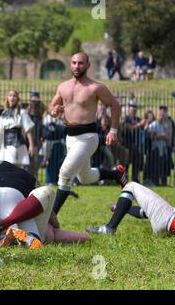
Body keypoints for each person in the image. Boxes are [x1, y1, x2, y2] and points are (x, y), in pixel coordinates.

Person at [48, 52, 126, 216]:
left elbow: (115, 105)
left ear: (88, 65)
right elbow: (52, 108)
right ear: (70, 64)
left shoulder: (95, 87)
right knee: (85, 177)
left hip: (88, 137)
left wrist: (113, 130)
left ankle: (52, 215)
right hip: (69, 137)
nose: (77, 66)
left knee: (64, 173)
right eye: (74, 63)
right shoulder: (63, 86)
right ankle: (115, 174)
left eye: (81, 63)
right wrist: (54, 111)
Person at [0, 161, 90, 247]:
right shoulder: (30, 178)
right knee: (47, 192)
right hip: (16, 209)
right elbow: (43, 200)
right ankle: (3, 231)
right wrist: (53, 223)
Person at [86, 181, 175, 236]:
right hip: (168, 224)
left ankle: (109, 228)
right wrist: (121, 208)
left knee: (131, 186)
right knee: (148, 212)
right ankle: (121, 208)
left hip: (168, 220)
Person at [0, 90, 35, 170]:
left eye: (14, 96)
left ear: (17, 99)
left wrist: (31, 145)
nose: (12, 98)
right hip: (5, 144)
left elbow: (28, 130)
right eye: (10, 95)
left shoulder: (22, 112)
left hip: (17, 143)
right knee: (2, 165)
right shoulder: (4, 113)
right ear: (7, 97)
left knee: (14, 166)